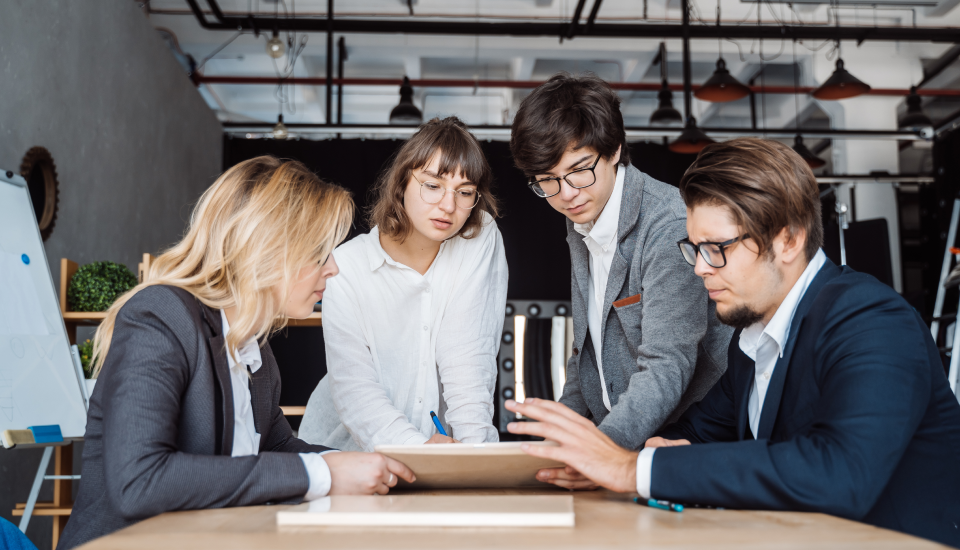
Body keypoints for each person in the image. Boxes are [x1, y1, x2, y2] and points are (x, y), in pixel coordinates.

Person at [505, 137, 960, 547]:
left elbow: (839, 474)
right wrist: (623, 456)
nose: (700, 268)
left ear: (788, 240)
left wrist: (631, 470)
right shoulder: (750, 342)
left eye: (716, 249)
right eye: (695, 249)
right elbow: (696, 435)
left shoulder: (872, 323)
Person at [58, 157, 416, 550]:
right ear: (267, 249)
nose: (333, 269)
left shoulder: (254, 350)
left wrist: (382, 466)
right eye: (320, 253)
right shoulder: (159, 317)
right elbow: (139, 480)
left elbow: (278, 447)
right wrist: (324, 472)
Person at [508, 73, 733, 487]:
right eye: (548, 181)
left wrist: (601, 453)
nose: (567, 193)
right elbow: (586, 354)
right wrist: (551, 446)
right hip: (619, 441)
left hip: (681, 442)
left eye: (579, 170)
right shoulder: (582, 217)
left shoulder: (667, 223)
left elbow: (668, 364)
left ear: (614, 150)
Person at [299, 117, 507, 451]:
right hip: (349, 451)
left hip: (443, 455)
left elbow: (469, 356)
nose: (449, 206)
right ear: (402, 183)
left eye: (465, 192)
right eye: (432, 185)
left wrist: (475, 459)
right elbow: (355, 390)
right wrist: (418, 450)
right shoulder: (347, 266)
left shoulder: (478, 236)